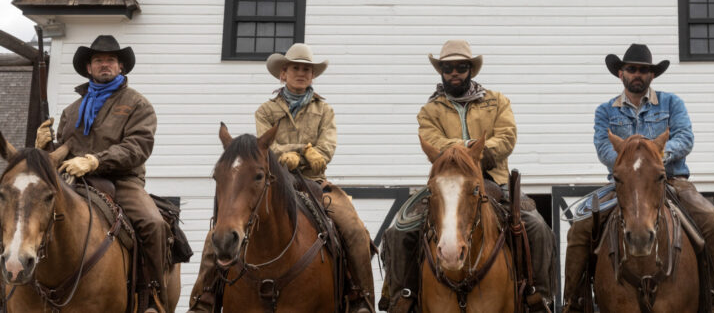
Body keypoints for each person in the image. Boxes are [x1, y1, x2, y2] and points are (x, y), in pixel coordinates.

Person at [188, 43, 375, 313]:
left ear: (312, 76)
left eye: (307, 70)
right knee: (216, 233)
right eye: (295, 68)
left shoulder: (325, 111)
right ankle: (203, 299)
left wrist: (302, 156)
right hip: (273, 183)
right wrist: (300, 152)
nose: (301, 73)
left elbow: (326, 149)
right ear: (283, 74)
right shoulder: (266, 110)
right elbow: (263, 149)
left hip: (315, 183)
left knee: (354, 229)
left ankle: (361, 298)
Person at [379, 40, 556, 313]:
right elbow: (431, 141)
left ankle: (538, 296)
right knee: (398, 231)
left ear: (470, 69)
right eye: (448, 67)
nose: (454, 72)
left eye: (461, 67)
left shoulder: (497, 101)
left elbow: (507, 137)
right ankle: (404, 295)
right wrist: (468, 148)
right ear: (441, 71)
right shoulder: (430, 111)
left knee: (537, 227)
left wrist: (476, 153)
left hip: (492, 179)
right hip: (446, 181)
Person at [562, 43, 714, 313]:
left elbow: (685, 138)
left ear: (652, 76)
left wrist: (654, 161)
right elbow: (604, 148)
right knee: (579, 230)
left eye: (643, 70)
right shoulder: (605, 111)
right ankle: (573, 301)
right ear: (621, 73)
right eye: (631, 69)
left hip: (670, 179)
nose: (637, 74)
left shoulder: (672, 103)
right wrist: (631, 164)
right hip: (624, 184)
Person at [34, 35, 169, 313]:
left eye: (110, 60)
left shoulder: (137, 104)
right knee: (26, 208)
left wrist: (96, 160)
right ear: (89, 68)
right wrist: (45, 147)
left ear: (121, 67)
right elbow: (64, 151)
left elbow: (138, 146)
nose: (104, 64)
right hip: (74, 180)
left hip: (122, 180)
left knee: (153, 223)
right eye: (98, 60)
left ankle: (153, 296)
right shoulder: (71, 111)